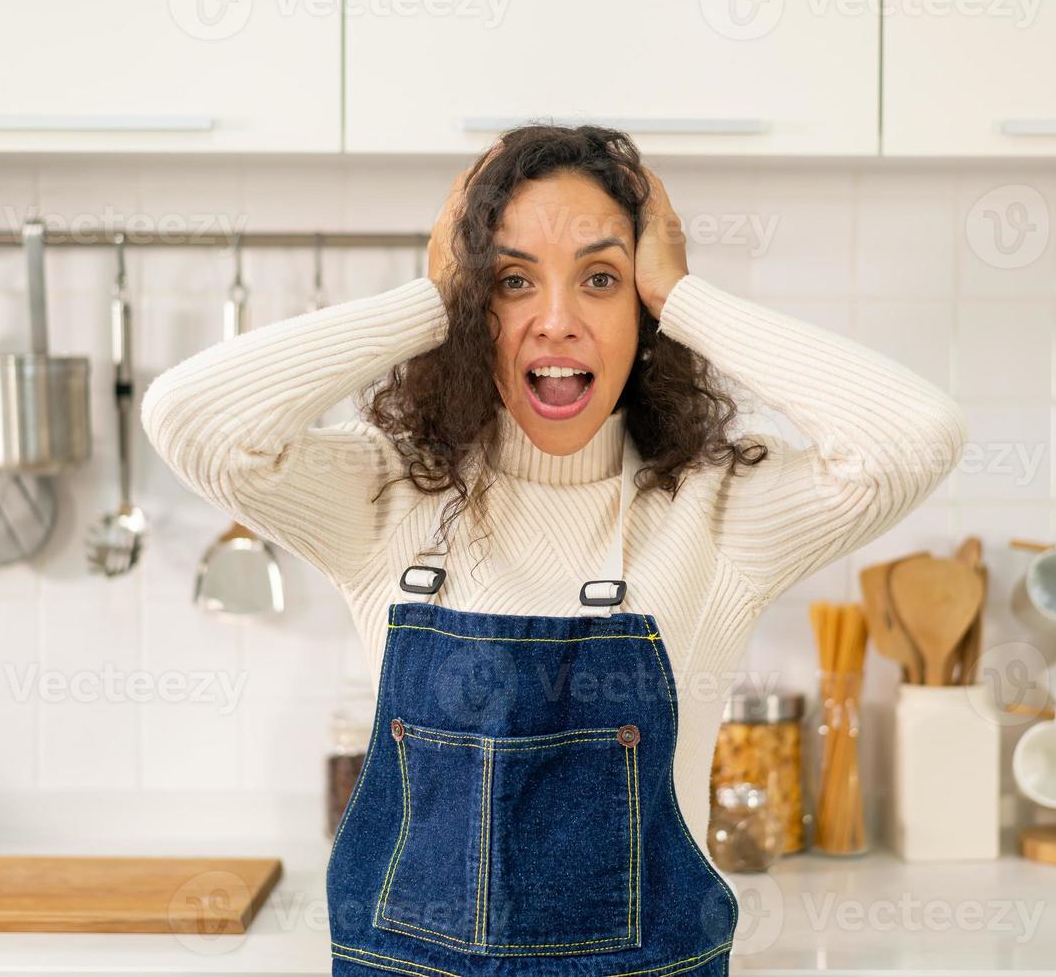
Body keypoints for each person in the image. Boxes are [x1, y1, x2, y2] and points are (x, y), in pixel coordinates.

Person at [141, 124, 966, 977]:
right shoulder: (387, 495)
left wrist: (682, 295)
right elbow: (192, 420)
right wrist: (433, 300)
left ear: (641, 312)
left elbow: (915, 437)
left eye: (601, 280)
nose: (558, 321)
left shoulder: (717, 511)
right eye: (511, 281)